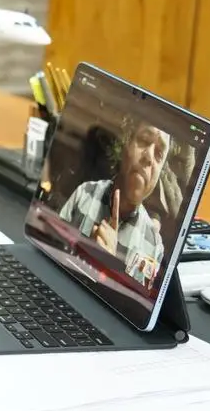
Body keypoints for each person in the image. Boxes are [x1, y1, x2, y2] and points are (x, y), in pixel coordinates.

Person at [57, 119, 170, 287]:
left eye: (159, 154)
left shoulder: (154, 247)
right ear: (126, 146)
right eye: (144, 140)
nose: (149, 157)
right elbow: (50, 253)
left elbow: (135, 302)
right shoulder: (85, 193)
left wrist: (110, 270)